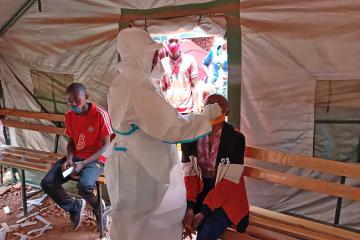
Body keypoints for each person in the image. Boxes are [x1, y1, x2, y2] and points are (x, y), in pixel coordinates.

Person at [105, 28, 222, 240]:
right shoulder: (139, 87)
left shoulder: (121, 82)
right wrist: (208, 116)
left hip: (126, 157)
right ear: (138, 54)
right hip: (142, 163)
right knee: (146, 221)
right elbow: (173, 127)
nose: (157, 57)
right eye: (151, 52)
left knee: (128, 220)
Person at [41, 83, 113, 232]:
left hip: (96, 160)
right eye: (69, 100)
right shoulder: (69, 115)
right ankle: (74, 206)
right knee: (47, 182)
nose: (72, 104)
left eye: (76, 99)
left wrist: (83, 163)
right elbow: (72, 142)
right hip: (75, 159)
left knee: (85, 186)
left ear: (86, 97)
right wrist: (69, 159)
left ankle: (99, 210)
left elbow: (106, 145)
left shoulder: (100, 114)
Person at [181, 93, 249, 240]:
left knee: (206, 231)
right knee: (174, 219)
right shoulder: (190, 137)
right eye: (209, 103)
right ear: (203, 108)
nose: (214, 106)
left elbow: (229, 183)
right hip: (199, 189)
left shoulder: (236, 139)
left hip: (226, 194)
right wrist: (190, 207)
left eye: (219, 103)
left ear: (227, 112)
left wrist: (203, 212)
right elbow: (189, 175)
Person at [160, 37, 200, 113]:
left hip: (187, 109)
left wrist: (195, 108)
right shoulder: (162, 63)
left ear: (180, 42)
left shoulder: (190, 60)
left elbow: (194, 86)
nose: (173, 44)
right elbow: (163, 88)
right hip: (170, 109)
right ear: (165, 43)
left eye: (176, 41)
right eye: (171, 41)